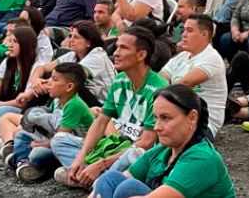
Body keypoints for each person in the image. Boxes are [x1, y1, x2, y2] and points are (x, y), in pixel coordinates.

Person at [62, 27, 168, 188]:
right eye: (117, 47)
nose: (116, 53)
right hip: (114, 146)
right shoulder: (119, 80)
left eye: (123, 48)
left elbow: (146, 143)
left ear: (141, 55)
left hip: (137, 154)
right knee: (59, 140)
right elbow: (101, 122)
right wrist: (81, 157)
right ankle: (95, 178)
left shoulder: (159, 88)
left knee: (135, 154)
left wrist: (102, 164)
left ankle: (95, 179)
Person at [92, 84, 237, 198]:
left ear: (192, 117)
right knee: (110, 178)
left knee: (128, 189)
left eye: (166, 118)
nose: (157, 127)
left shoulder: (202, 158)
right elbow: (116, 180)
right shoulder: (161, 151)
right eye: (155, 118)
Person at [4, 62, 98, 182]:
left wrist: (39, 144)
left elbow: (61, 138)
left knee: (37, 154)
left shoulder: (73, 105)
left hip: (75, 146)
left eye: (54, 79)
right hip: (57, 141)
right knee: (22, 133)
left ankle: (30, 162)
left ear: (69, 87)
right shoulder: (58, 100)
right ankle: (23, 161)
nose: (49, 83)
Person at [160, 13, 227, 137]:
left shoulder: (211, 58)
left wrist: (157, 94)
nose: (183, 35)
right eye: (184, 30)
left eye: (189, 31)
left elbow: (183, 86)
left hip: (203, 123)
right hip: (178, 115)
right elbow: (161, 77)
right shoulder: (182, 56)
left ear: (204, 34)